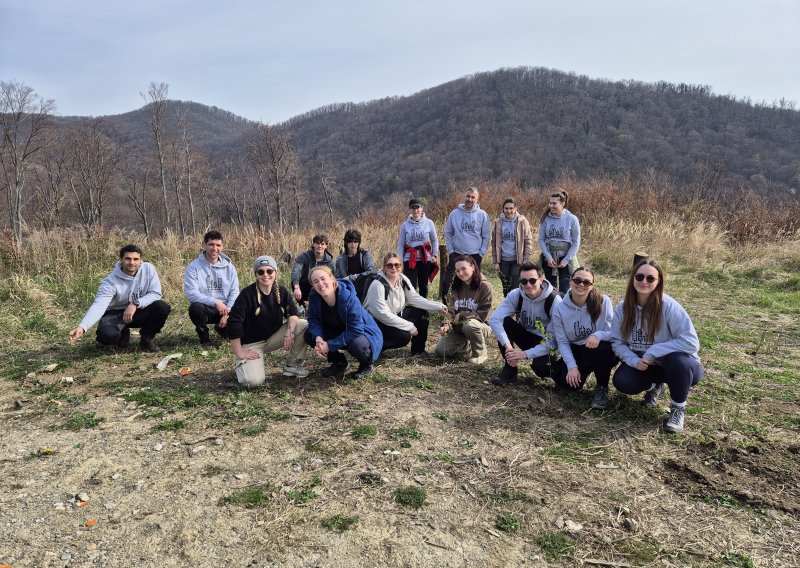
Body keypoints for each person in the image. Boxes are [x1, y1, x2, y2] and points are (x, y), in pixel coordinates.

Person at [611, 259, 703, 433]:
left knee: (676, 360)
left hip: (681, 367)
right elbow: (617, 342)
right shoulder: (623, 308)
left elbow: (692, 342)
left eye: (650, 278)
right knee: (622, 381)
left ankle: (677, 410)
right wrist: (632, 360)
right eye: (639, 276)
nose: (644, 282)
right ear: (632, 279)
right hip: (647, 365)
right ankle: (654, 386)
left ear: (658, 281)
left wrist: (654, 351)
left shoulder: (669, 306)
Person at [68, 244, 171, 353]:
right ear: (121, 259)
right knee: (106, 336)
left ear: (141, 260)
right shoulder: (109, 282)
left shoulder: (148, 269)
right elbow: (99, 305)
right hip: (115, 313)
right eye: (128, 259)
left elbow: (155, 293)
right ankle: (122, 333)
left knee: (162, 307)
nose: (132, 263)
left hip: (137, 311)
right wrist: (83, 327)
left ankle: (147, 338)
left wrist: (135, 304)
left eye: (136, 259)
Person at [227, 256, 309, 388]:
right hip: (251, 343)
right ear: (256, 274)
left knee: (302, 325)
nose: (266, 275)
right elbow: (233, 324)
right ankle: (242, 363)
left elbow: (293, 314)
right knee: (252, 382)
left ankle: (292, 365)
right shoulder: (247, 294)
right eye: (261, 272)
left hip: (272, 338)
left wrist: (289, 332)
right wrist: (239, 352)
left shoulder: (281, 291)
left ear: (275, 273)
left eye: (269, 271)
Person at [550, 267, 618, 409]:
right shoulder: (560, 308)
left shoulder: (603, 301)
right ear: (571, 282)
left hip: (599, 349)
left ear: (592, 285)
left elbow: (613, 332)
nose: (581, 284)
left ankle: (602, 388)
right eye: (577, 280)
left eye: (586, 282)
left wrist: (598, 335)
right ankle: (583, 372)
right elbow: (562, 341)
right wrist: (572, 367)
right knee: (567, 384)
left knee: (604, 348)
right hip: (576, 349)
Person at [488, 262, 562, 386]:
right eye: (524, 281)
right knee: (504, 321)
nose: (528, 285)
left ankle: (557, 371)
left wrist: (524, 354)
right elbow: (494, 319)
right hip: (526, 336)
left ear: (541, 279)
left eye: (533, 281)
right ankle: (510, 369)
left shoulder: (554, 301)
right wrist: (509, 349)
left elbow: (553, 340)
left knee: (541, 369)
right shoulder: (516, 294)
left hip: (546, 341)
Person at [304, 266, 383, 379]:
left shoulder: (348, 297)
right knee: (309, 334)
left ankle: (366, 364)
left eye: (323, 278)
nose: (320, 284)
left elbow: (356, 329)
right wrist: (318, 337)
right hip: (338, 329)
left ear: (332, 278)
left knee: (356, 343)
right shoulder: (314, 296)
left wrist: (330, 345)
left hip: (363, 332)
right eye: (315, 282)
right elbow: (313, 319)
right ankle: (339, 362)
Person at [363, 252, 448, 356]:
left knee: (421, 314)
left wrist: (438, 306)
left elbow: (415, 299)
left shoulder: (402, 279)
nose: (393, 268)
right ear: (384, 268)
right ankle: (374, 347)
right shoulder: (377, 285)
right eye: (389, 265)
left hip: (394, 315)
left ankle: (418, 351)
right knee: (404, 336)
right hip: (376, 322)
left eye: (397, 265)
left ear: (401, 266)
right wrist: (410, 326)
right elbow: (382, 314)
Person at [183, 230, 240, 347]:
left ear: (222, 247)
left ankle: (223, 330)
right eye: (211, 244)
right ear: (203, 245)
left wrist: (228, 312)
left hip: (226, 310)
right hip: (206, 309)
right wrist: (215, 302)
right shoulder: (193, 267)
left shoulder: (230, 268)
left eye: (218, 245)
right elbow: (192, 294)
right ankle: (204, 338)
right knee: (195, 308)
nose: (215, 248)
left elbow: (234, 292)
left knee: (243, 314)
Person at [435, 254, 493, 364]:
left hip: (480, 325)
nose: (460, 273)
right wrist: (446, 324)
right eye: (457, 271)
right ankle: (467, 346)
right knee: (440, 350)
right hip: (459, 326)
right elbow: (451, 310)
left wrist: (460, 316)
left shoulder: (485, 287)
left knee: (469, 324)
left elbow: (483, 314)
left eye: (463, 269)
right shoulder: (456, 288)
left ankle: (480, 353)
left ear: (473, 267)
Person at [441, 187, 490, 302]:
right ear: (464, 197)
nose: (470, 199)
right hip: (457, 253)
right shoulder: (455, 214)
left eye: (473, 197)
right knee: (449, 280)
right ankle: (445, 303)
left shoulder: (482, 215)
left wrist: (481, 253)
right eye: (468, 196)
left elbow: (486, 236)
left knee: (474, 281)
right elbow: (448, 233)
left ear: (477, 200)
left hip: (475, 255)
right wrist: (451, 251)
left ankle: (474, 303)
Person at [538, 191, 581, 294]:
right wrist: (548, 257)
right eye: (550, 203)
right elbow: (541, 239)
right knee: (549, 289)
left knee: (564, 289)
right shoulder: (545, 218)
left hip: (565, 258)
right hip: (549, 258)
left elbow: (576, 242)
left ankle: (563, 308)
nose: (551, 206)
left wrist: (566, 260)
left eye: (554, 203)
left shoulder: (572, 219)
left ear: (562, 204)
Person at [397, 197, 440, 298]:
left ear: (422, 209)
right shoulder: (405, 225)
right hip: (409, 259)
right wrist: (400, 260)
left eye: (418, 208)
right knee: (410, 285)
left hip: (425, 259)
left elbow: (434, 240)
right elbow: (401, 244)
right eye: (413, 208)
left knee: (423, 285)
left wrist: (434, 255)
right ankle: (411, 309)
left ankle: (423, 310)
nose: (415, 210)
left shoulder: (429, 223)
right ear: (410, 210)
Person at [491, 197, 533, 296]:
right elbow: (494, 243)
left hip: (517, 261)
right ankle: (508, 309)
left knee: (515, 287)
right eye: (506, 208)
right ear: (503, 209)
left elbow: (528, 241)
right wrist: (495, 261)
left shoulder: (522, 221)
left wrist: (526, 259)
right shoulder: (498, 222)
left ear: (515, 208)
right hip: (503, 260)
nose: (508, 211)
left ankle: (516, 309)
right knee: (505, 286)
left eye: (511, 208)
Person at [291, 234, 335, 308]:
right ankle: (302, 305)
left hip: (320, 285)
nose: (319, 246)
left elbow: (334, 277)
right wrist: (296, 287)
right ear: (313, 244)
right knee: (295, 282)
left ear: (326, 246)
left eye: (322, 244)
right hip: (305, 285)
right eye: (317, 243)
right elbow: (296, 271)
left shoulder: (329, 261)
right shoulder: (304, 257)